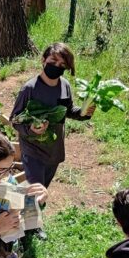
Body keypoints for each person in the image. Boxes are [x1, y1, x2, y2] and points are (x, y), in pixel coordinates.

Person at [10, 42, 97, 188]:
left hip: (54, 151)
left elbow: (67, 110)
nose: (57, 66)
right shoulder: (29, 89)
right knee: (36, 193)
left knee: (41, 191)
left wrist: (83, 113)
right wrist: (31, 130)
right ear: (43, 60)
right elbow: (14, 119)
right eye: (53, 61)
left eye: (62, 64)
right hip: (33, 151)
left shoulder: (65, 85)